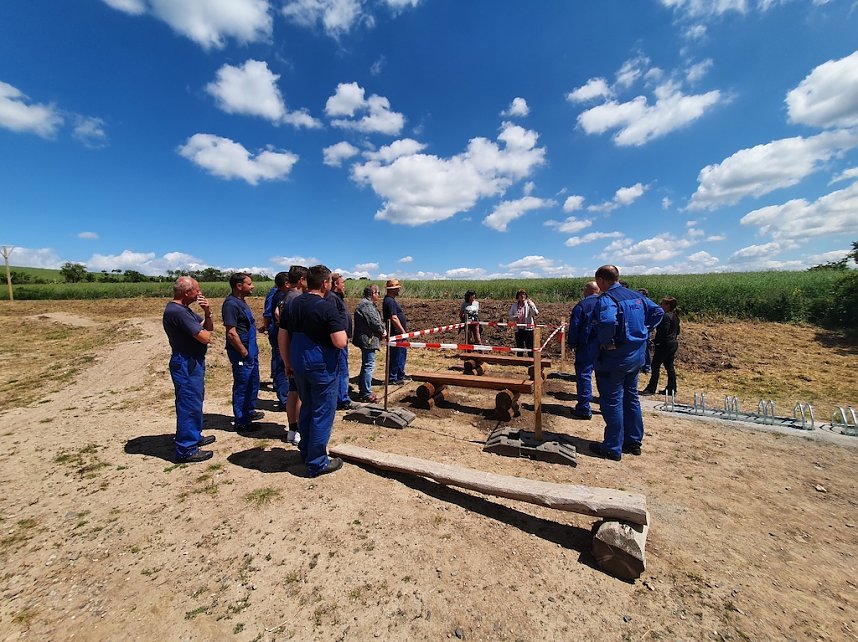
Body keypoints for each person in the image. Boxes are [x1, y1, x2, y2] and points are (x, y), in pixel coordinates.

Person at [587, 265, 663, 461]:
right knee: (631, 399)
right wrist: (645, 329)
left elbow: (607, 322)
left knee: (612, 401)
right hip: (636, 355)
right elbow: (657, 312)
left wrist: (606, 342)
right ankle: (633, 441)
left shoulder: (607, 299)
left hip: (615, 359)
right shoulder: (635, 296)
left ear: (602, 280)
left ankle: (612, 447)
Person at [280, 265, 348, 476]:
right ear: (326, 283)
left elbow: (283, 335)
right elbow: (340, 341)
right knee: (322, 412)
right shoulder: (326, 307)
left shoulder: (291, 304)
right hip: (321, 365)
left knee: (307, 407)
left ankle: (306, 451)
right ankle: (318, 462)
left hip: (298, 361)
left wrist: (287, 362)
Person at [162, 277, 215, 463]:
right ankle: (186, 449)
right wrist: (205, 332)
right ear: (186, 292)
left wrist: (207, 312)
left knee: (195, 400)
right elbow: (205, 337)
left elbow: (208, 328)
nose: (200, 293)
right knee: (188, 403)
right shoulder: (178, 312)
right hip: (185, 362)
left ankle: (194, 436)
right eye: (197, 290)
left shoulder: (185, 311)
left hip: (192, 360)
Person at [222, 272, 263, 431]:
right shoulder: (231, 304)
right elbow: (231, 332)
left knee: (253, 381)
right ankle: (241, 420)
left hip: (251, 349)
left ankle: (249, 411)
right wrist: (244, 352)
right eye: (249, 284)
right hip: (242, 351)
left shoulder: (241, 302)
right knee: (242, 384)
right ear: (239, 286)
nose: (252, 286)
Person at [277, 265, 308, 444]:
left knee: (293, 391)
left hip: (288, 351)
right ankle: (298, 431)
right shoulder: (297, 299)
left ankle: (292, 429)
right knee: (299, 392)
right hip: (296, 350)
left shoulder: (284, 297)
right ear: (302, 280)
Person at [566, 281, 600, 420]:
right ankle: (606, 406)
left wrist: (572, 343)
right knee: (604, 376)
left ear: (587, 290)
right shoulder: (607, 302)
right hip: (605, 345)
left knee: (584, 376)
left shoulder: (582, 305)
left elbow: (574, 326)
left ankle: (584, 408)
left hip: (586, 345)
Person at [640, 296, 680, 397]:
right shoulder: (675, 316)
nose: (660, 305)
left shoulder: (665, 316)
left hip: (664, 344)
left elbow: (663, 331)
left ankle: (651, 388)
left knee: (655, 366)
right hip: (673, 343)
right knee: (669, 366)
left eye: (662, 304)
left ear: (668, 305)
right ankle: (672, 388)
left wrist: (657, 341)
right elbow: (677, 331)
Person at [353, 284, 386, 403]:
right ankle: (366, 393)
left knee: (366, 364)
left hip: (367, 339)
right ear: (373, 293)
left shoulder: (366, 304)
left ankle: (364, 390)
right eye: (378, 293)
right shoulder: (366, 305)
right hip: (368, 340)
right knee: (369, 365)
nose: (378, 296)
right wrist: (383, 331)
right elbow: (374, 322)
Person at [264, 272, 290, 409]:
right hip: (278, 331)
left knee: (279, 359)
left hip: (277, 329)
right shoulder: (279, 295)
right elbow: (271, 313)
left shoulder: (279, 294)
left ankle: (281, 390)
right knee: (281, 362)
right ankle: (284, 398)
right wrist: (268, 326)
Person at [328, 272, 353, 410]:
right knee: (341, 369)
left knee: (343, 368)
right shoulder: (332, 298)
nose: (344, 285)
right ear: (336, 284)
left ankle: (342, 396)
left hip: (342, 339)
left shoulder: (338, 297)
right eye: (343, 283)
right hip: (338, 341)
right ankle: (342, 399)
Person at [383, 278, 409, 384]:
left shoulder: (391, 300)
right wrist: (402, 331)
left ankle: (399, 375)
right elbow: (393, 318)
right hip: (396, 334)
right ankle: (393, 378)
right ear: (392, 289)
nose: (398, 290)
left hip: (399, 334)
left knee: (401, 355)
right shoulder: (389, 301)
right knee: (396, 356)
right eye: (397, 288)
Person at [509, 289, 539, 357]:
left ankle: (531, 362)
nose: (522, 296)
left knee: (530, 346)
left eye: (524, 294)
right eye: (521, 294)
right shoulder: (514, 305)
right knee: (519, 347)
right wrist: (514, 317)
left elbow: (535, 313)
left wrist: (531, 305)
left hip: (528, 329)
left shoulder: (529, 304)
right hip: (518, 329)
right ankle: (520, 363)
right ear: (518, 296)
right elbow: (510, 316)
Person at [637, 288, 654, 375]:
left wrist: (650, 325)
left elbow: (659, 312)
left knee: (646, 347)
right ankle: (642, 366)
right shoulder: (640, 302)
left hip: (645, 328)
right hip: (641, 327)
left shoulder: (647, 302)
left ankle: (647, 366)